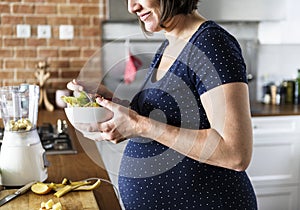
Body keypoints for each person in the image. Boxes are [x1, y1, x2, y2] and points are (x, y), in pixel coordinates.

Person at [67, 0, 257, 209]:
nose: (132, 7)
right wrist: (112, 102)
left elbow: (235, 152)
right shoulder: (169, 45)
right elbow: (164, 116)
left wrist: (139, 125)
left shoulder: (212, 43)